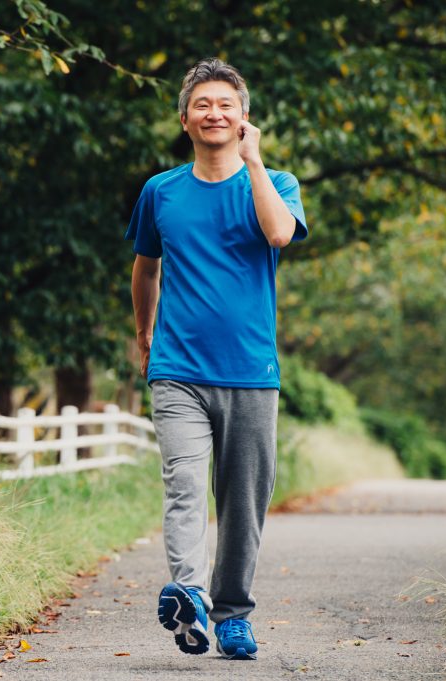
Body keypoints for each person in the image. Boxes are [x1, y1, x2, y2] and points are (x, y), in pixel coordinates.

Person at [125, 57, 308, 660]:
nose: (214, 113)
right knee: (183, 485)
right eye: (202, 104)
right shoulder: (161, 191)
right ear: (185, 119)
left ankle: (232, 614)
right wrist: (145, 331)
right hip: (178, 369)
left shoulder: (276, 183)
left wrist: (254, 162)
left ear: (243, 118)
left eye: (226, 104)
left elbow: (279, 235)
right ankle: (190, 594)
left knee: (243, 501)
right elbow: (146, 266)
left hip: (251, 372)